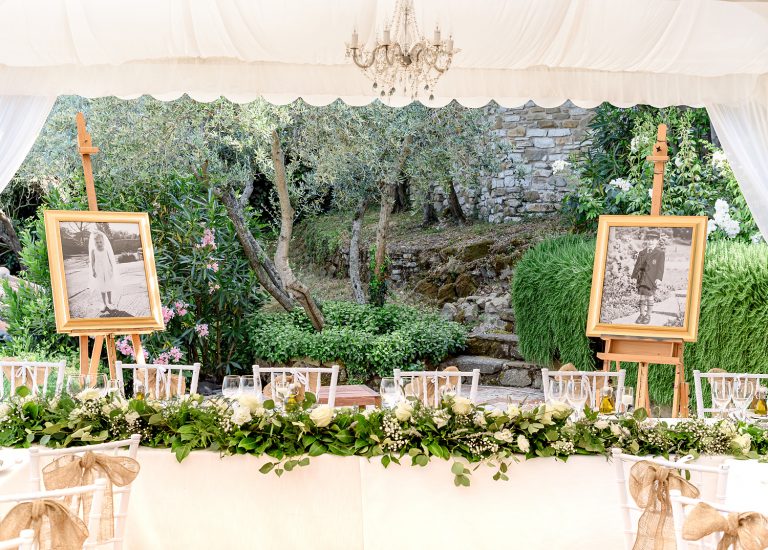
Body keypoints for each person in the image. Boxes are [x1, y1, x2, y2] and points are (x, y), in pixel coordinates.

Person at [630, 229, 665, 324]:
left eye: (653, 240)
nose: (650, 242)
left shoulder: (660, 253)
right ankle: (641, 314)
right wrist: (634, 277)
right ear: (647, 240)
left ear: (657, 241)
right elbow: (637, 266)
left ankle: (648, 315)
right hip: (641, 278)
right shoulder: (642, 253)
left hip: (651, 279)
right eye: (649, 239)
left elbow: (660, 268)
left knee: (649, 296)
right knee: (642, 297)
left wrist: (659, 278)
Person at [88, 229, 120, 314]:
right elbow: (92, 262)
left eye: (100, 242)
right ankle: (104, 303)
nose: (99, 244)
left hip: (107, 270)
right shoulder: (93, 251)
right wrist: (93, 271)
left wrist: (111, 270)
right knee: (102, 287)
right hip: (99, 271)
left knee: (108, 286)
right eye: (97, 242)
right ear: (94, 243)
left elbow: (110, 260)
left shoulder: (106, 250)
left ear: (103, 242)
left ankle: (110, 302)